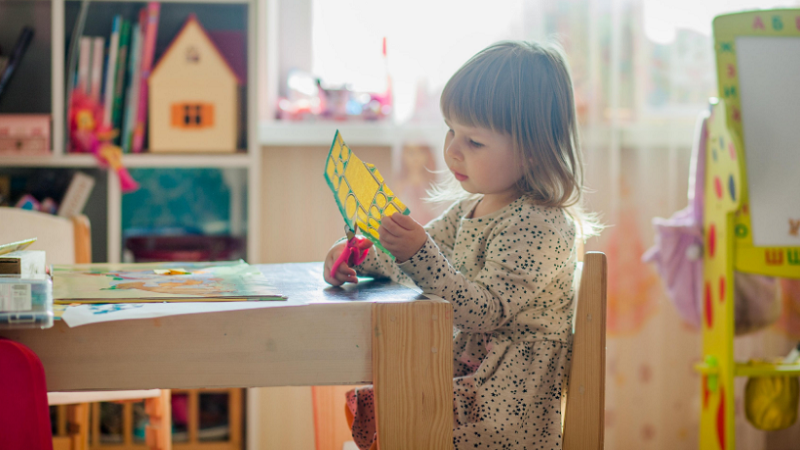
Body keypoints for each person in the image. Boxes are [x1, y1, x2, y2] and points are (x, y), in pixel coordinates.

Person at [324, 40, 598, 450]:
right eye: (452, 130)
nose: (452, 149)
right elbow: (418, 263)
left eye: (475, 142)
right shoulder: (470, 208)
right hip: (470, 383)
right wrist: (363, 257)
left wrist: (418, 253)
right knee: (388, 395)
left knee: (398, 407)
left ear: (532, 153)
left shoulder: (542, 225)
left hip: (505, 410)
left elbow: (484, 311)